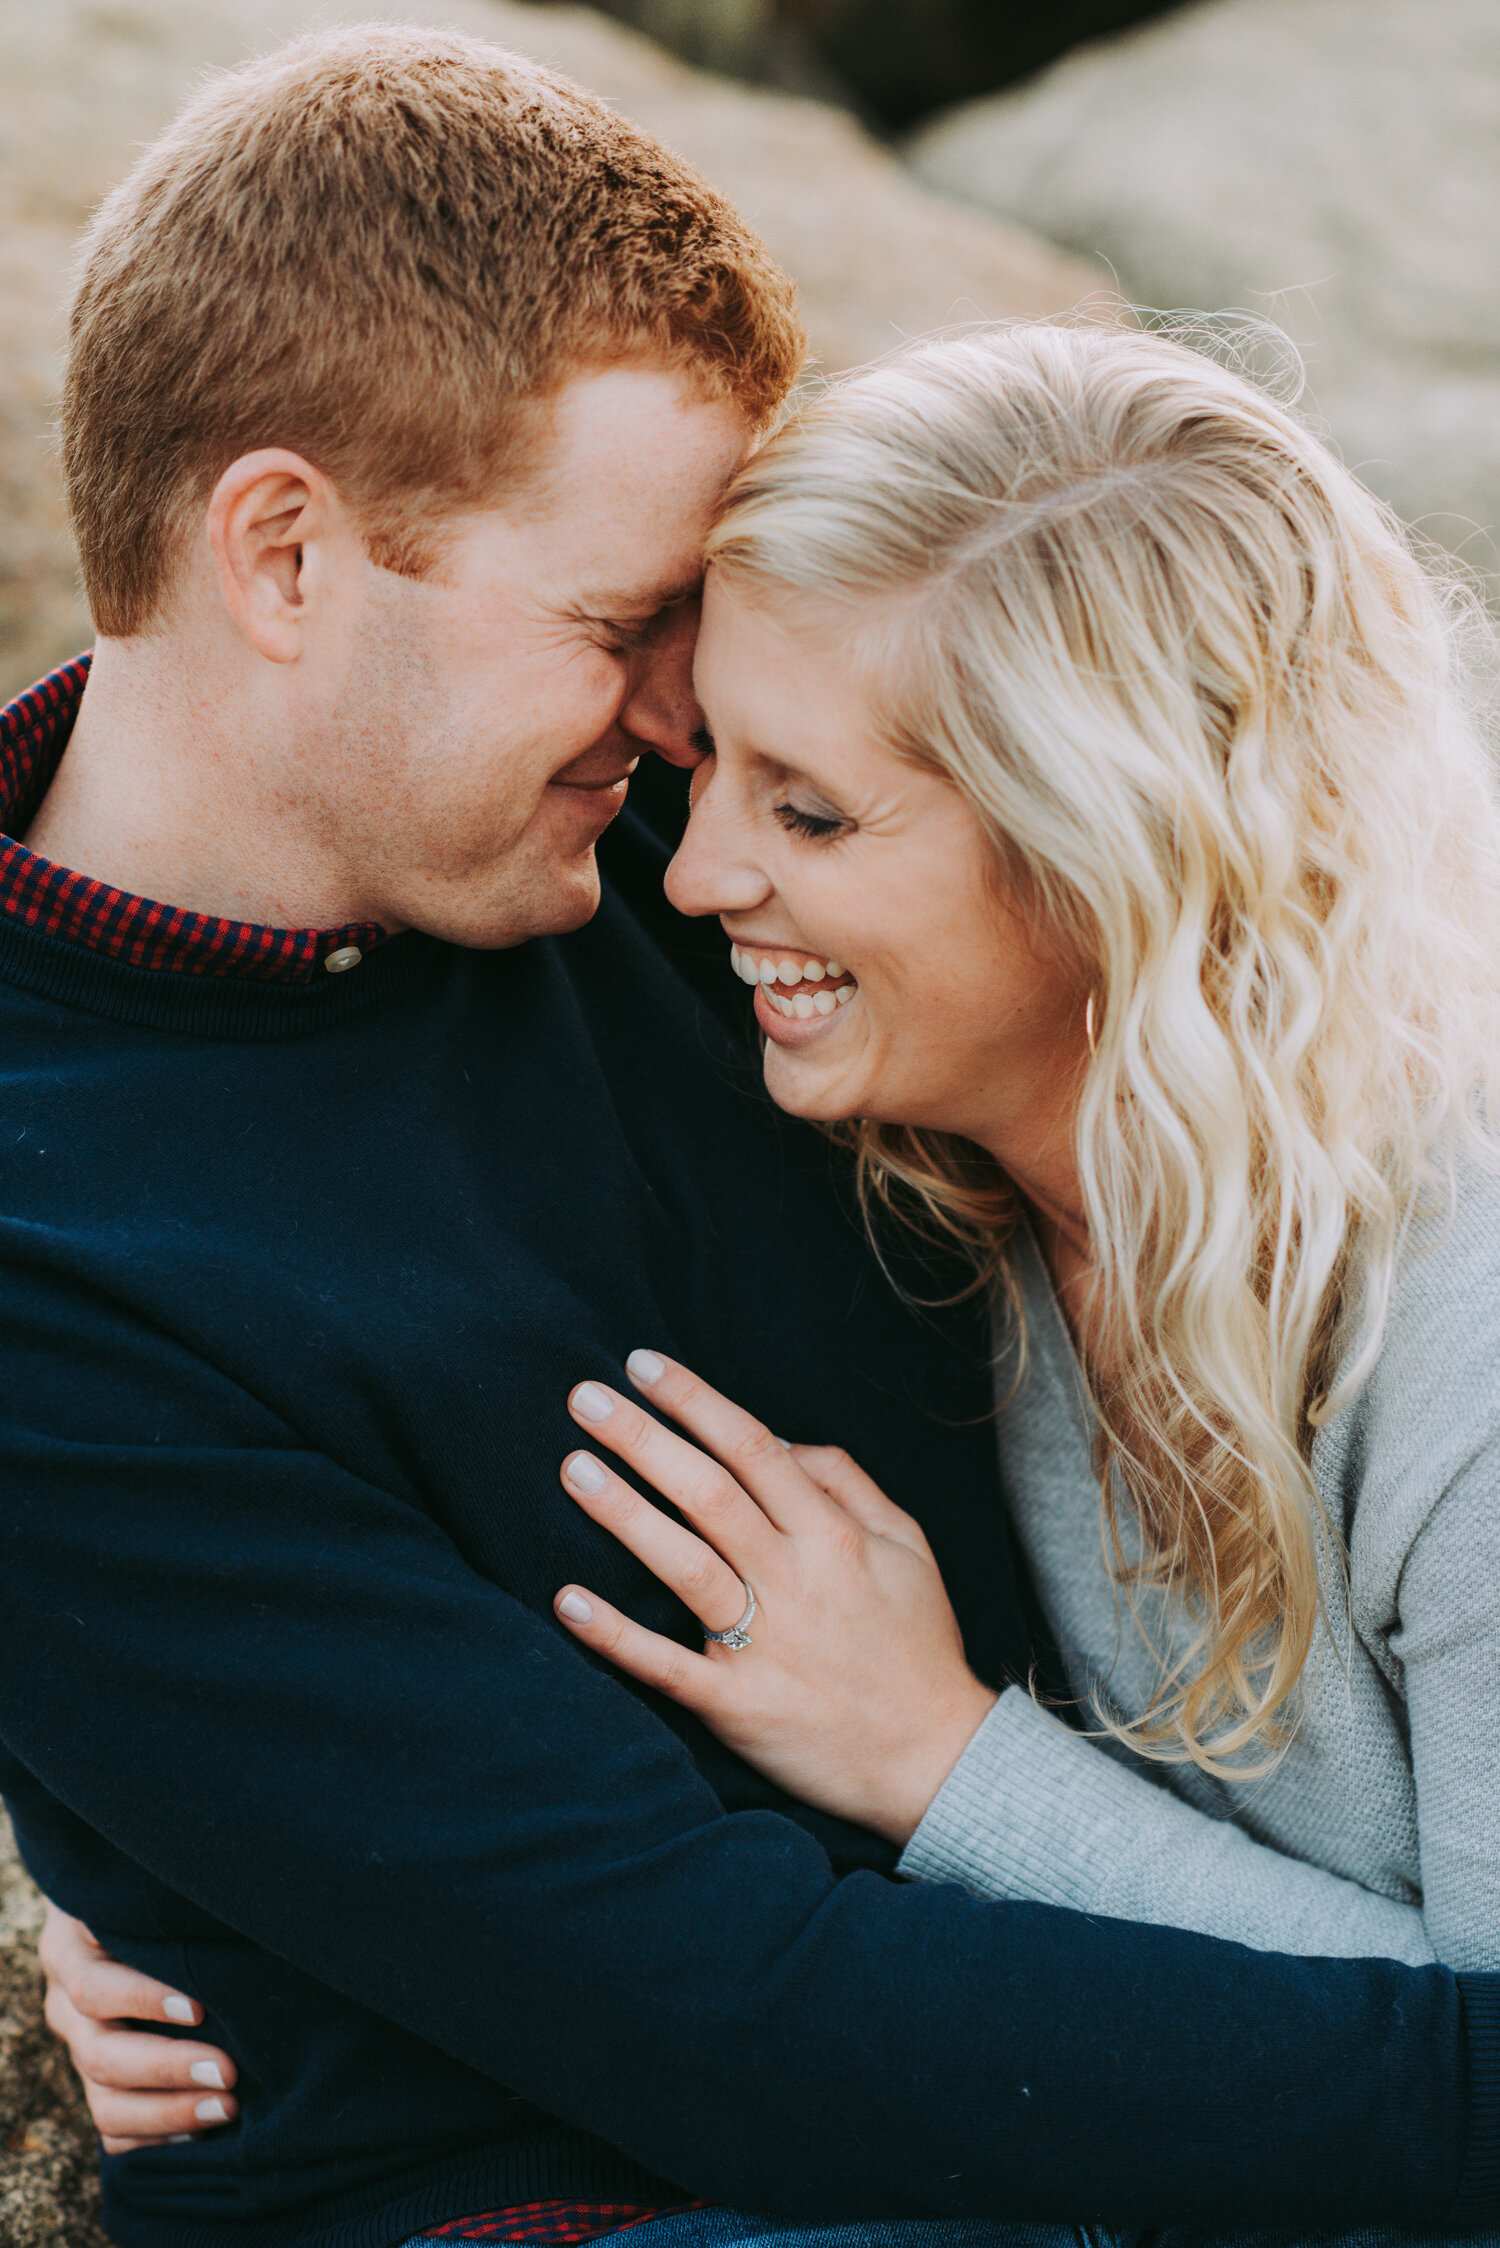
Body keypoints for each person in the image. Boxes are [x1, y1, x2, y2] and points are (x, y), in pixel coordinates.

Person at [7, 29, 1499, 2248]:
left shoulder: (654, 853)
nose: (694, 749)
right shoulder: (52, 1241)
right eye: (624, 628)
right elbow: (730, 2004)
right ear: (286, 552)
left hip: (1112, 2055)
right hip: (584, 2192)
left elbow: (1143, 754)